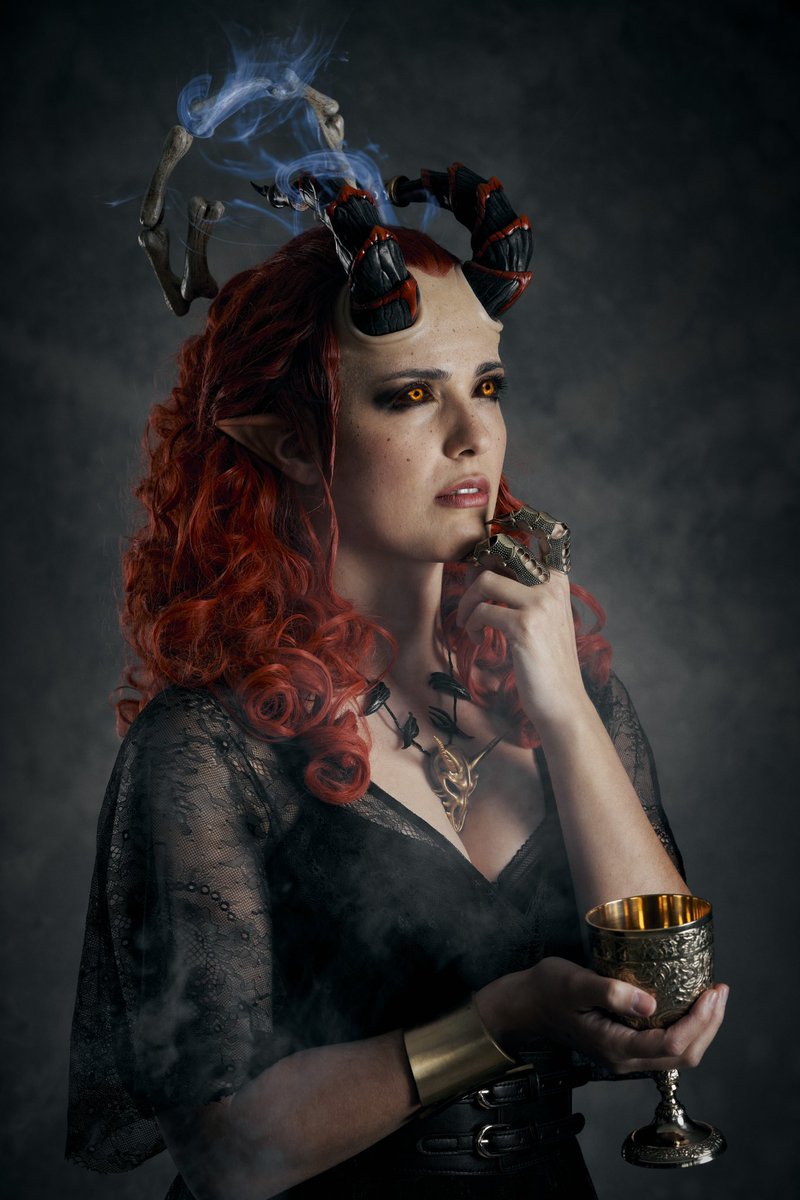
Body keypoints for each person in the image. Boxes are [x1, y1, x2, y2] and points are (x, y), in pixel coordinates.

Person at [66, 171, 728, 1199]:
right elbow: (229, 1154)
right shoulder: (206, 750)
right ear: (289, 442)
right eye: (411, 395)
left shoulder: (563, 696)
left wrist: (561, 708)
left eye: (487, 386)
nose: (472, 435)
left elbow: (667, 994)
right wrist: (497, 1022)